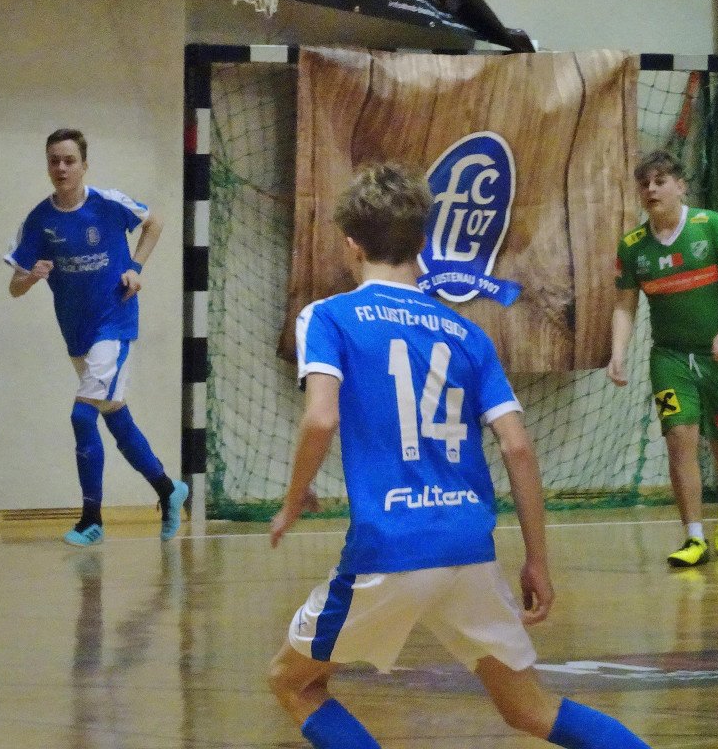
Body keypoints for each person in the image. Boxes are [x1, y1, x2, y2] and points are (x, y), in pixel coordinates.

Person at [268, 163, 652, 749]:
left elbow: (321, 418)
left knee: (293, 682)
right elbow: (518, 447)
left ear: (351, 245)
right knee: (530, 709)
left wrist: (293, 500)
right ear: (422, 243)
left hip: (391, 546)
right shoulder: (468, 333)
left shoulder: (328, 316)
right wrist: (537, 560)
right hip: (469, 546)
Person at [5, 128, 188, 545]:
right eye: (54, 160)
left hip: (114, 324)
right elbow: (14, 287)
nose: (61, 168)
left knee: (81, 415)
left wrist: (135, 268)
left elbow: (155, 221)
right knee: (114, 414)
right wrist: (31, 277)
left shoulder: (107, 203)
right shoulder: (39, 221)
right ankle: (168, 489)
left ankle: (92, 520)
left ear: (84, 166)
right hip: (77, 333)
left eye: (69, 160)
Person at [608, 150, 718, 567]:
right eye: (644, 184)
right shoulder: (632, 246)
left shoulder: (713, 225)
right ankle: (693, 537)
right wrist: (618, 353)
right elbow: (624, 306)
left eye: (660, 181)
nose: (651, 190)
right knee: (678, 440)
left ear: (681, 186)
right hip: (669, 358)